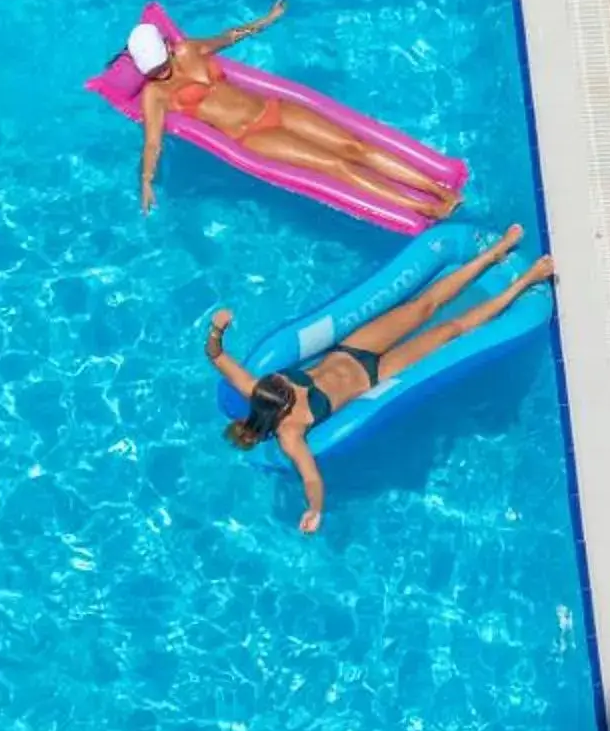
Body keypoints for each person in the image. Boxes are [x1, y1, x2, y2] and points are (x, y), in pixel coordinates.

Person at [209, 223, 554, 533]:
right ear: (281, 412)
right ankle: (525, 283)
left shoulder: (256, 388)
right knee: (451, 330)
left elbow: (217, 356)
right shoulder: (291, 435)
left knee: (425, 307)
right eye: (287, 390)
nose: (285, 381)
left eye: (281, 381)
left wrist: (217, 328)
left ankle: (496, 252)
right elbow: (311, 477)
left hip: (352, 348)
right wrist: (314, 509)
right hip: (377, 376)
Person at [131, 2, 462, 220]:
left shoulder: (189, 49)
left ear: (166, 50)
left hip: (274, 108)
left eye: (162, 64)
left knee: (354, 146)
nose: (161, 73)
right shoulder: (155, 94)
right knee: (335, 165)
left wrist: (265, 20)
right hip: (253, 135)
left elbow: (229, 37)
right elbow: (152, 142)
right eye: (153, 70)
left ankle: (436, 189)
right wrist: (147, 180)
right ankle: (423, 207)